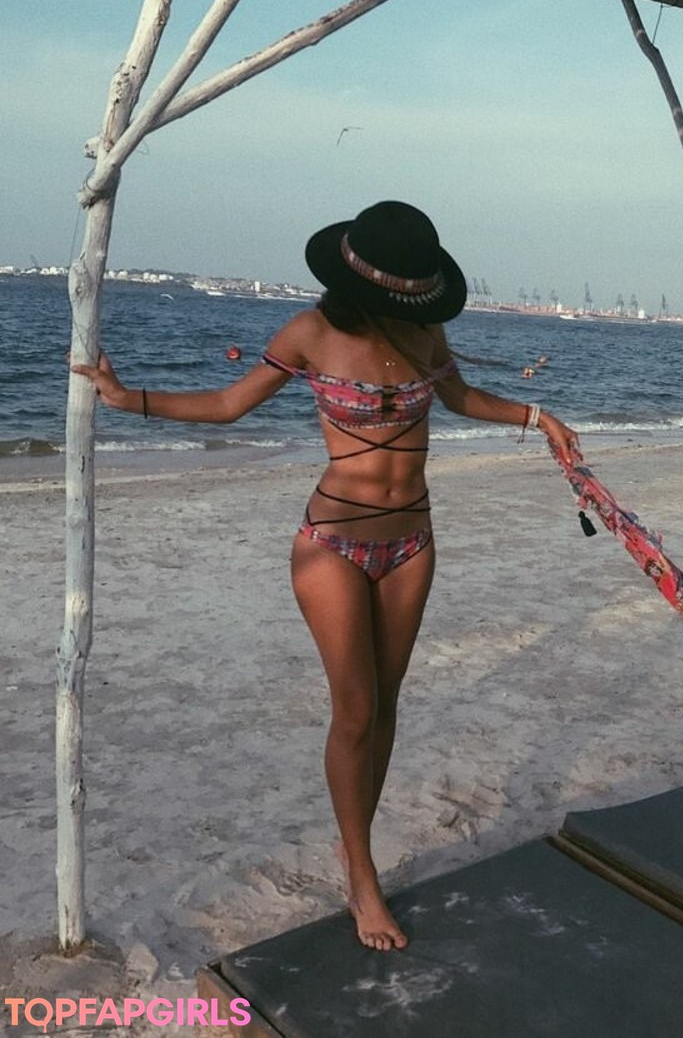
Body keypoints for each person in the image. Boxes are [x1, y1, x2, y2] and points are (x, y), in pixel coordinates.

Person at [72, 201, 577, 953]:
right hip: (332, 543)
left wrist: (539, 418)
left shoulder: (423, 333)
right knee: (356, 708)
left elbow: (462, 398)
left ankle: (354, 843)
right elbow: (229, 404)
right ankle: (362, 876)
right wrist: (128, 399)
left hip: (412, 541)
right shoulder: (309, 333)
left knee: (387, 705)